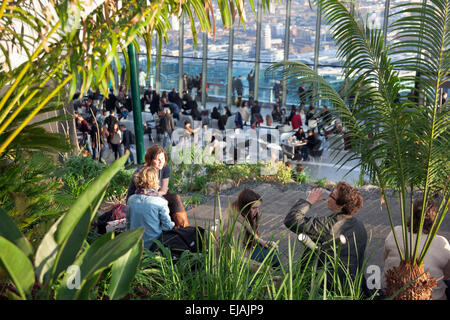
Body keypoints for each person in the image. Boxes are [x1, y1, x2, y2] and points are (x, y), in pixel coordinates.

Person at [284, 182, 367, 282]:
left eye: (332, 195)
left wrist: (308, 201)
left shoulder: (328, 225)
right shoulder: (360, 226)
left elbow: (292, 220)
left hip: (324, 282)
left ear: (340, 206)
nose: (328, 196)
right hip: (350, 281)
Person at [383, 199, 450, 300]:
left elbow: (385, 258)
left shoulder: (395, 232)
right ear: (434, 218)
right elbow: (447, 274)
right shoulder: (441, 242)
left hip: (392, 294)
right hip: (431, 296)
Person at [215, 188, 281, 271]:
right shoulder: (235, 226)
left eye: (258, 208)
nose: (257, 211)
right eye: (254, 208)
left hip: (244, 249)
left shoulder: (236, 209)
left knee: (272, 247)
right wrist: (263, 269)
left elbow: (248, 230)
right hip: (232, 262)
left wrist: (260, 240)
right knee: (272, 253)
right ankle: (277, 276)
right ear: (245, 206)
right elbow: (236, 258)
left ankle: (276, 275)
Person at [126, 145, 189, 229]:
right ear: (150, 160)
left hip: (154, 195)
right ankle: (181, 229)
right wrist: (158, 200)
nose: (161, 162)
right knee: (171, 201)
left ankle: (183, 228)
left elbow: (164, 189)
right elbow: (141, 192)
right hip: (138, 199)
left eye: (162, 158)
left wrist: (158, 198)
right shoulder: (143, 171)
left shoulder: (165, 168)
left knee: (175, 198)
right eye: (158, 159)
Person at [126, 166, 174, 250]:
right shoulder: (160, 202)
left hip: (134, 244)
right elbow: (167, 226)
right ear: (156, 181)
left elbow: (128, 224)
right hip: (153, 245)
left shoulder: (131, 200)